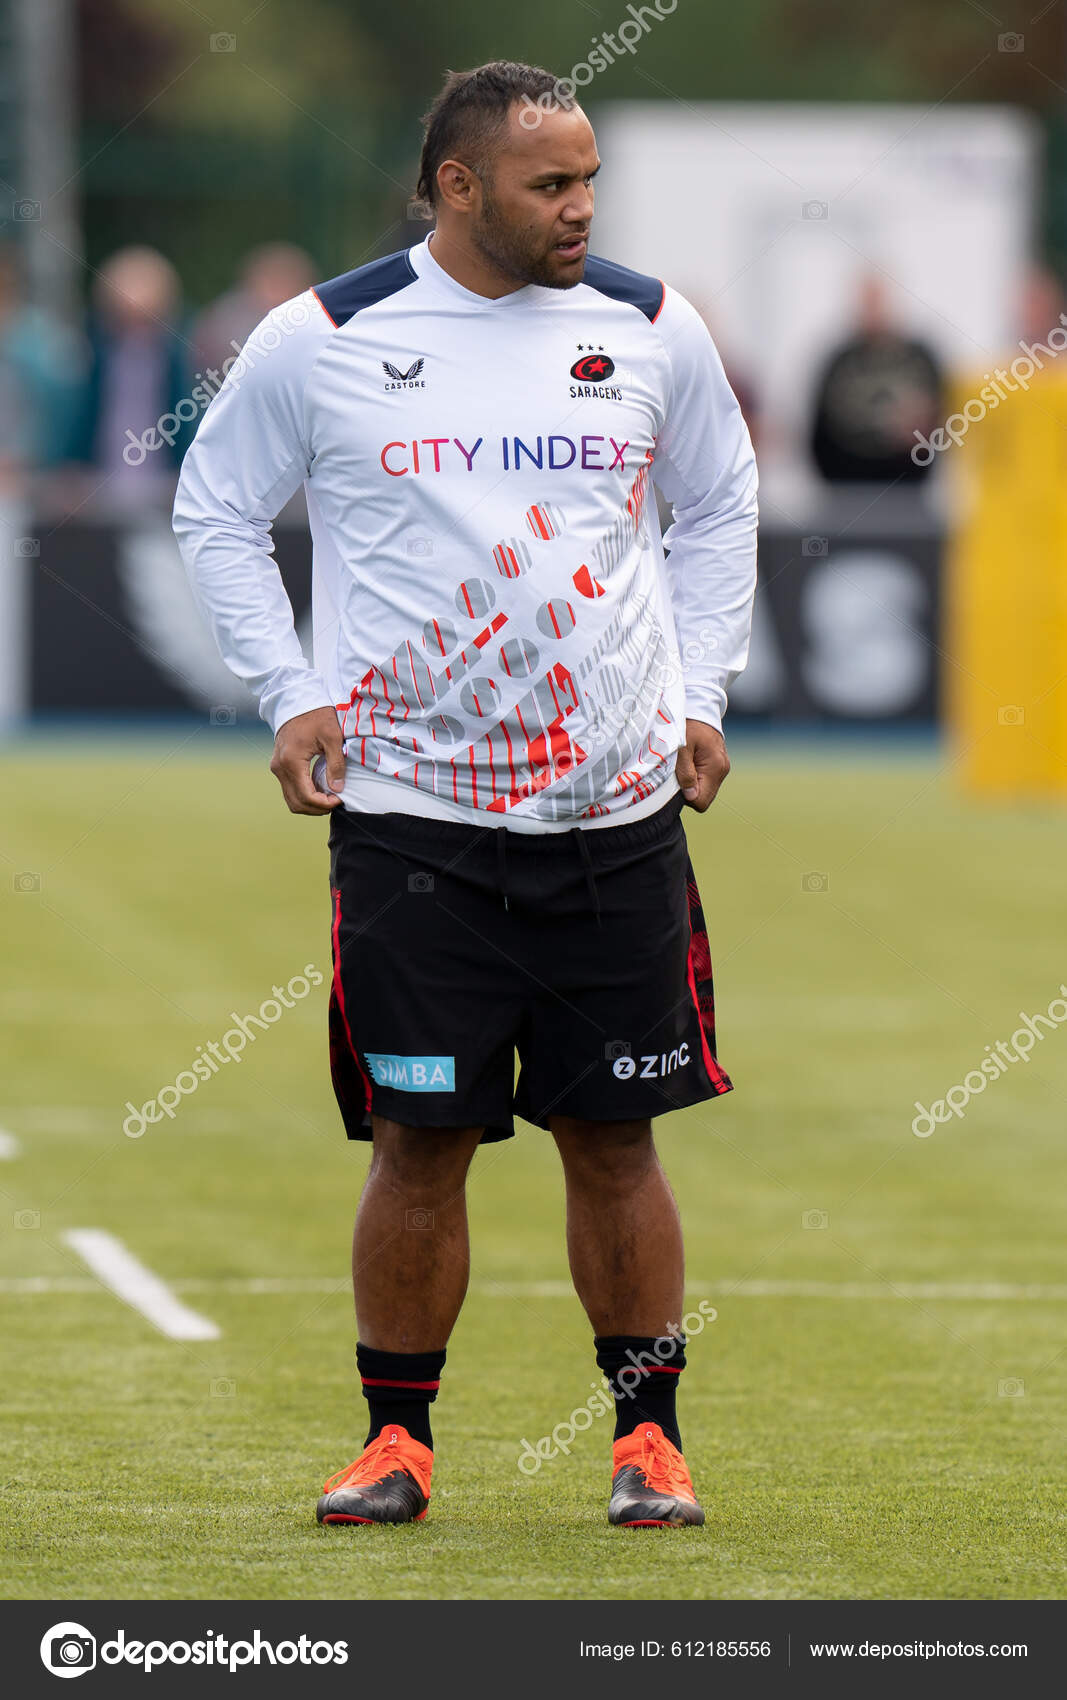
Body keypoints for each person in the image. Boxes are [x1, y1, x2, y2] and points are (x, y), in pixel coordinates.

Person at [173, 60, 758, 1532]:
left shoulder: (648, 325)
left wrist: (701, 693)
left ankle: (647, 1442)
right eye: (549, 183)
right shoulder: (325, 336)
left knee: (613, 1139)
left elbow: (719, 504)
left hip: (611, 819)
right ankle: (396, 1443)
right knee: (417, 1142)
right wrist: (287, 692)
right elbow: (215, 508)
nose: (580, 207)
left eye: (588, 180)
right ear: (455, 185)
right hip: (413, 825)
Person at [810, 272, 943, 484]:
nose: (873, 311)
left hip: (908, 486)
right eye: (867, 302)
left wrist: (921, 429)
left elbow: (945, 421)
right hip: (847, 486)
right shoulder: (838, 361)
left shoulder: (920, 359)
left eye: (878, 301)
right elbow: (818, 429)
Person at [191, 241, 316, 379]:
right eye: (274, 282)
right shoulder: (227, 321)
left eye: (288, 282)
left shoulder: (313, 322)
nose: (279, 292)